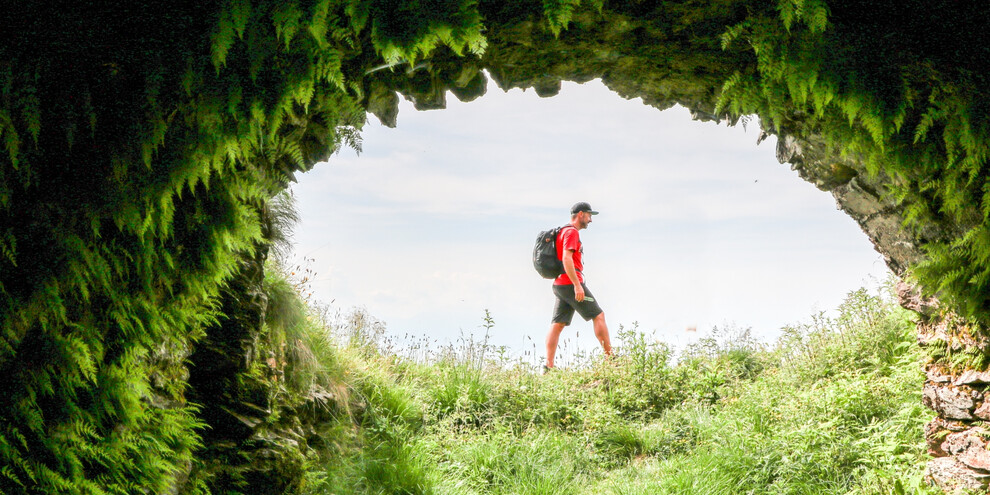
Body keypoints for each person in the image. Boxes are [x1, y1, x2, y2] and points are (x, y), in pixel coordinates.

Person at [545, 202, 613, 370]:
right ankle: (611, 359)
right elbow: (567, 258)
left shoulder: (562, 231)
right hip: (570, 283)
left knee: (558, 324)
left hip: (560, 283)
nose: (590, 220)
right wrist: (577, 285)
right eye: (589, 215)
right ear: (580, 214)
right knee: (599, 316)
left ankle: (548, 366)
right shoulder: (571, 232)